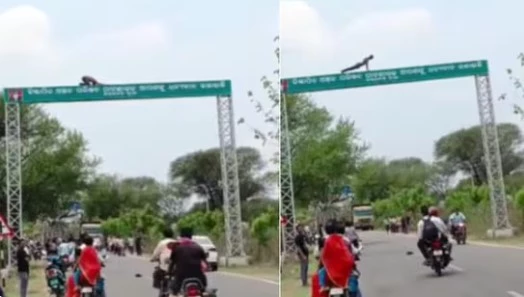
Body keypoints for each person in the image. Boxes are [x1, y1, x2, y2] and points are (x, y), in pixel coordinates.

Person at [168, 226, 208, 295]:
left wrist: (169, 273)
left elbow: (172, 263)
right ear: (191, 236)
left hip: (180, 277)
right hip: (198, 277)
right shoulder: (198, 247)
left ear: (181, 236)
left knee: (172, 291)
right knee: (204, 291)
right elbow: (206, 263)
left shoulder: (177, 248)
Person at [320, 220, 355, 290]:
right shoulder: (343, 239)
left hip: (331, 267)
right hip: (343, 267)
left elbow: (323, 253)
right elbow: (350, 252)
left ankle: (323, 286)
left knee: (322, 271)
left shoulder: (324, 239)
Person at [151, 227, 176, 296]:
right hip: (176, 267)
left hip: (165, 267)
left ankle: (161, 289)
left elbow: (155, 254)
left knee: (157, 273)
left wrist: (152, 259)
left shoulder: (162, 243)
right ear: (172, 234)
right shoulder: (177, 242)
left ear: (164, 235)